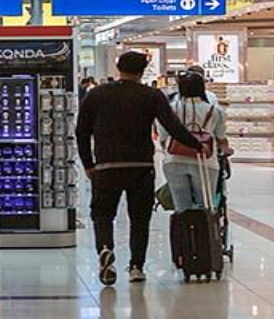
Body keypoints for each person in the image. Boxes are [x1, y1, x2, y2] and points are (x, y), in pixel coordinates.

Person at [77, 52, 203, 286]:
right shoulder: (151, 95)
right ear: (143, 71)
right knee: (139, 217)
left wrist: (88, 164)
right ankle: (136, 266)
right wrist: (197, 145)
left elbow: (82, 131)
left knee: (103, 213)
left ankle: (105, 249)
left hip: (106, 165)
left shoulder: (97, 94)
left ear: (118, 68)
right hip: (141, 166)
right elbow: (172, 126)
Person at [158, 72, 231, 212]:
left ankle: (182, 229)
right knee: (205, 204)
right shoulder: (215, 111)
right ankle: (202, 230)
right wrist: (226, 150)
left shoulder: (171, 109)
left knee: (180, 205)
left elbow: (163, 136)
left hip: (174, 159)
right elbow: (221, 138)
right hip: (205, 160)